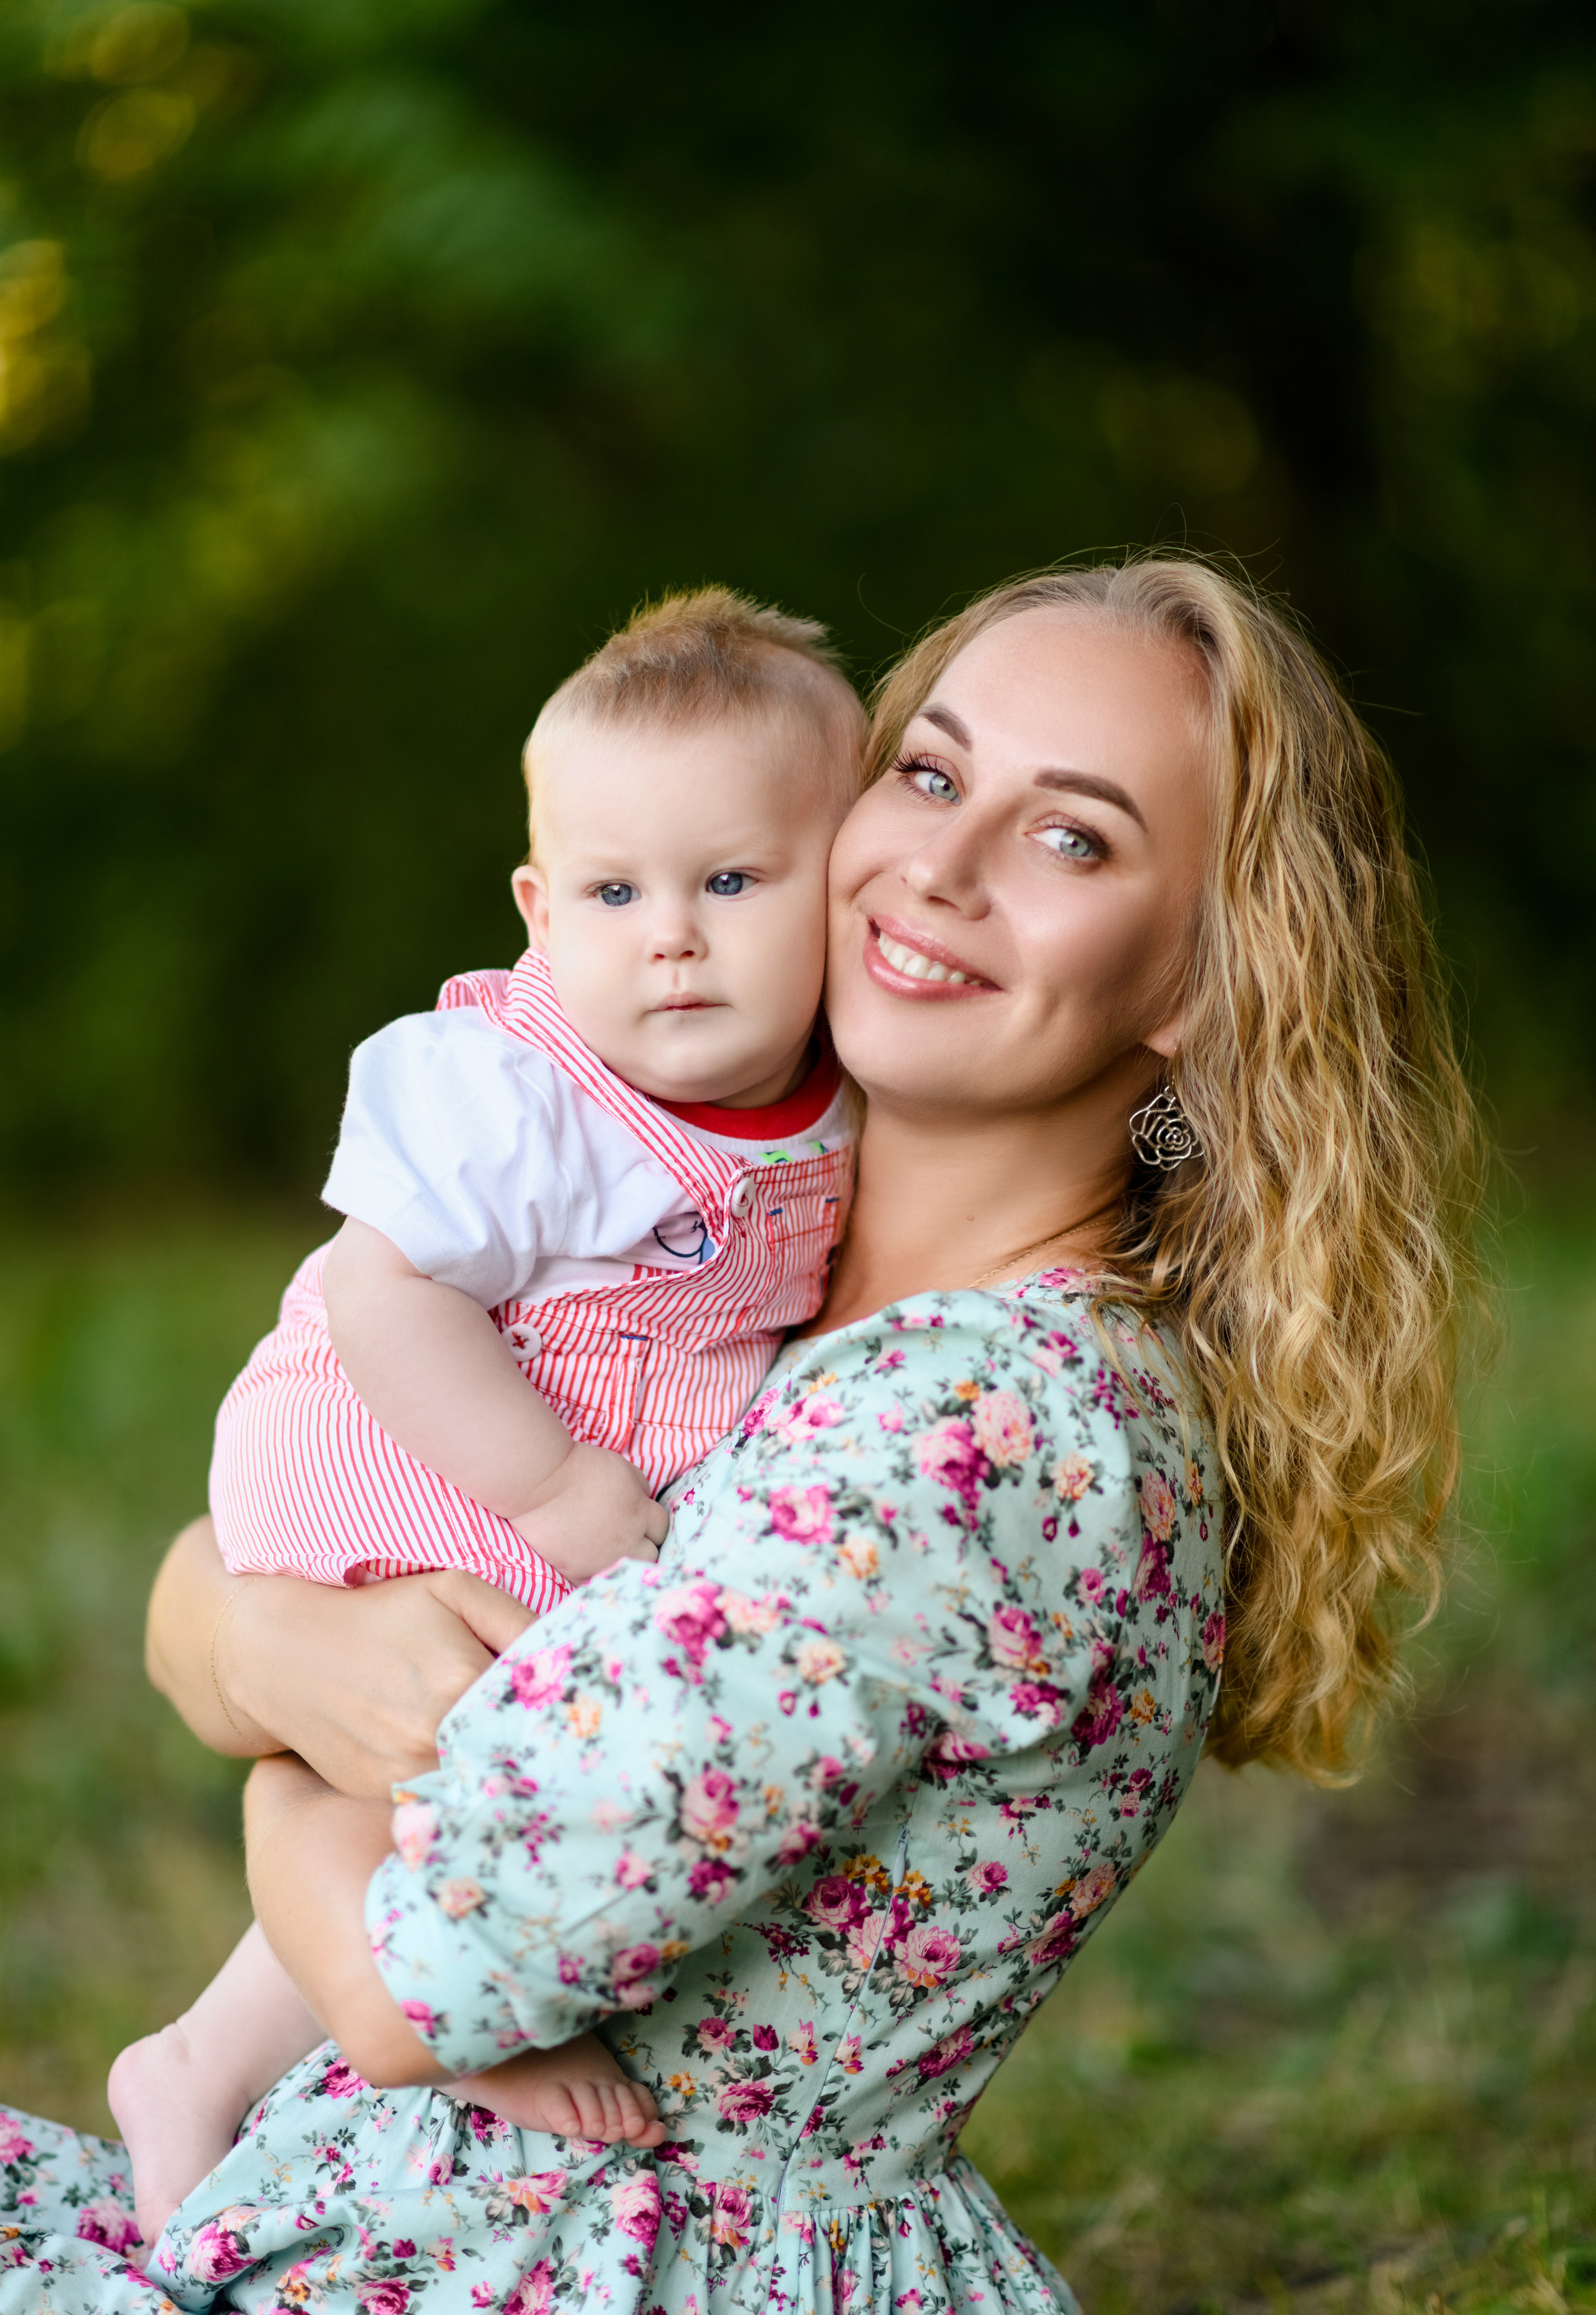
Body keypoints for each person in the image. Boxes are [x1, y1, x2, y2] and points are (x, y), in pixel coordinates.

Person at [0, 557, 1483, 2315]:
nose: (937, 863)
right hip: (414, 2206)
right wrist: (253, 1634)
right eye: (928, 776)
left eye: (1071, 839)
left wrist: (254, 1705)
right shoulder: (734, 1275)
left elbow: (422, 1980)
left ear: (1202, 983)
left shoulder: (980, 1432)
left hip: (578, 2256)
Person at [106, 588, 865, 2246]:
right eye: (615, 891)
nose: (672, 933)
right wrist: (554, 1481)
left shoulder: (834, 1096)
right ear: (539, 904)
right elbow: (388, 1297)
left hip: (569, 1456)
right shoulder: (519, 1089)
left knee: (476, 1745)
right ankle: (440, 2015)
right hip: (418, 1435)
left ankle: (196, 2063)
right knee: (406, 1759)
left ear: (845, 884)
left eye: (732, 882)